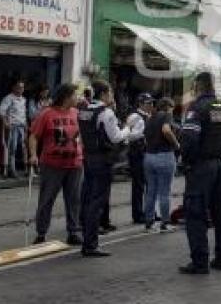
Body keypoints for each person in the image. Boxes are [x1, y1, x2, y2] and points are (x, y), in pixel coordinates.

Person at [178, 72, 221, 275]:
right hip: (220, 167)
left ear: (198, 87)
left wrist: (188, 163)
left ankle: (200, 263)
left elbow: (189, 140)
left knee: (195, 214)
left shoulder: (197, 109)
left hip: (201, 169)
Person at [78, 80, 132, 257]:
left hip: (88, 157)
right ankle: (90, 244)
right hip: (102, 159)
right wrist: (127, 129)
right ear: (103, 94)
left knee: (87, 198)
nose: (112, 96)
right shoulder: (106, 112)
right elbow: (116, 137)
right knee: (97, 201)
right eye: (110, 92)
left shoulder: (84, 110)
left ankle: (86, 238)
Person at [28, 84, 83, 245]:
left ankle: (73, 232)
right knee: (46, 200)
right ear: (66, 97)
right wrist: (33, 155)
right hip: (52, 165)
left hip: (75, 164)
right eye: (75, 95)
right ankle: (41, 234)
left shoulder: (76, 113)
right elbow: (34, 136)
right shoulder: (47, 114)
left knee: (74, 200)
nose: (77, 98)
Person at [143, 97, 181, 232]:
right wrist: (176, 144)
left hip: (149, 157)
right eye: (172, 108)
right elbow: (166, 130)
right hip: (164, 156)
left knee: (151, 191)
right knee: (164, 191)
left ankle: (148, 221)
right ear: (168, 107)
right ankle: (165, 222)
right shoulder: (166, 115)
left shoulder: (149, 118)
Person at [126, 93, 153, 224]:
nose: (151, 106)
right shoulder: (135, 116)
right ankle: (137, 214)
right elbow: (128, 135)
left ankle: (148, 212)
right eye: (148, 103)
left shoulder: (148, 116)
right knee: (138, 185)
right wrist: (142, 134)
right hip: (137, 153)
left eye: (151, 103)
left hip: (146, 153)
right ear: (141, 104)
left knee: (148, 184)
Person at [0, 80, 27, 178]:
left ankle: (24, 169)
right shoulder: (8, 98)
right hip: (13, 126)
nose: (21, 89)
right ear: (13, 88)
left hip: (21, 126)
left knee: (22, 148)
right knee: (12, 149)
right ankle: (11, 170)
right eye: (19, 87)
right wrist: (6, 122)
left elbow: (23, 114)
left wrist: (25, 125)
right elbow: (1, 111)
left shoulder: (23, 99)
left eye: (22, 87)